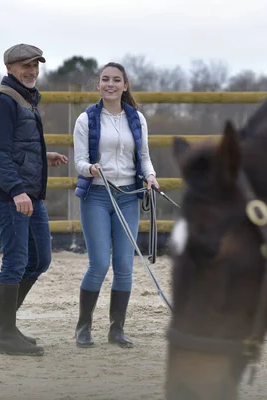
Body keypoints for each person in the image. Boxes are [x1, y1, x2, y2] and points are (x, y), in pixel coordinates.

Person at [0, 43, 68, 356]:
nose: (31, 71)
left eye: (35, 66)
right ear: (9, 68)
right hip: (11, 194)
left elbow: (17, 147)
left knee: (40, 259)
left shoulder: (26, 100)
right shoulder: (4, 100)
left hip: (29, 193)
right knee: (16, 260)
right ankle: (5, 336)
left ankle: (0, 324)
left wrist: (44, 157)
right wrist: (16, 190)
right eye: (25, 66)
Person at [72, 62, 159, 349]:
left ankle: (117, 329)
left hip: (129, 196)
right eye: (105, 79)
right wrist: (90, 169)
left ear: (125, 85)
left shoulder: (137, 119)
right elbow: (80, 161)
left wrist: (150, 176)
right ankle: (83, 327)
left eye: (116, 80)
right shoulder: (86, 119)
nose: (110, 84)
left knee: (124, 265)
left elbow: (143, 156)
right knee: (99, 263)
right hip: (97, 196)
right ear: (98, 85)